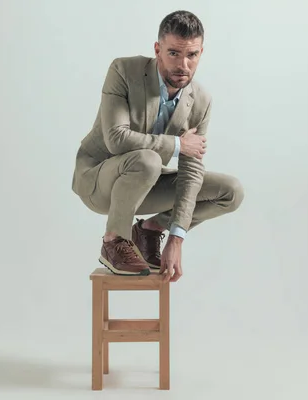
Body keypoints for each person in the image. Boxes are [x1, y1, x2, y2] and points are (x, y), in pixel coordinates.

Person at [71, 10, 244, 282]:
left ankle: (149, 230)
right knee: (149, 160)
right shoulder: (123, 71)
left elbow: (191, 174)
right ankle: (114, 240)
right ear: (157, 49)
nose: (183, 65)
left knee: (230, 191)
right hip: (99, 180)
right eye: (174, 53)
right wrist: (177, 144)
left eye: (192, 55)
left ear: (201, 53)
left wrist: (176, 236)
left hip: (144, 184)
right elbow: (116, 139)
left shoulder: (201, 100)